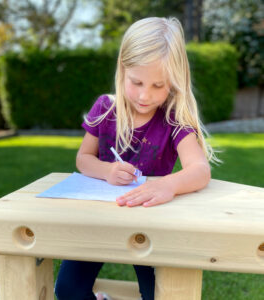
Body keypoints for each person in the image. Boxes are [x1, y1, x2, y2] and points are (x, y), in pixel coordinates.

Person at [55, 16, 217, 300]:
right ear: (122, 70)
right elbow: (83, 159)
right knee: (68, 290)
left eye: (158, 85)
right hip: (98, 219)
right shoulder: (105, 108)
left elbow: (200, 170)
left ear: (175, 81)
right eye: (137, 82)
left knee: (158, 293)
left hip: (150, 224)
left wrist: (167, 185)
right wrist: (106, 170)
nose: (145, 95)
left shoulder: (173, 117)